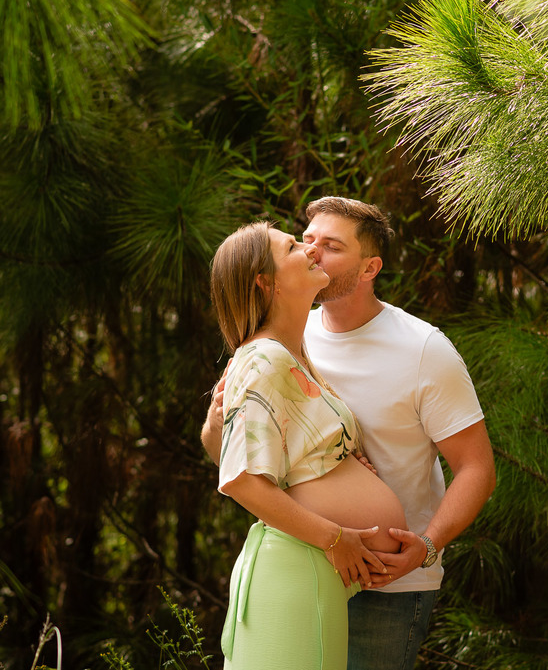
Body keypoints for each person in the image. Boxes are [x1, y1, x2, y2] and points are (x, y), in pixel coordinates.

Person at [203, 197, 496, 670]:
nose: (313, 251)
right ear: (270, 282)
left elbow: (477, 467)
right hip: (312, 559)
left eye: (331, 246)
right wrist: (218, 423)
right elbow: (237, 467)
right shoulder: (279, 345)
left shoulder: (422, 349)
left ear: (369, 268)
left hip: (390, 584)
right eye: (306, 240)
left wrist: (426, 546)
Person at [209, 221, 408, 670]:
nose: (311, 249)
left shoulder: (292, 353)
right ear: (267, 283)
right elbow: (241, 480)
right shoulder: (264, 357)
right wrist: (336, 538)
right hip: (297, 568)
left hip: (310, 573)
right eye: (293, 246)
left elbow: (273, 464)